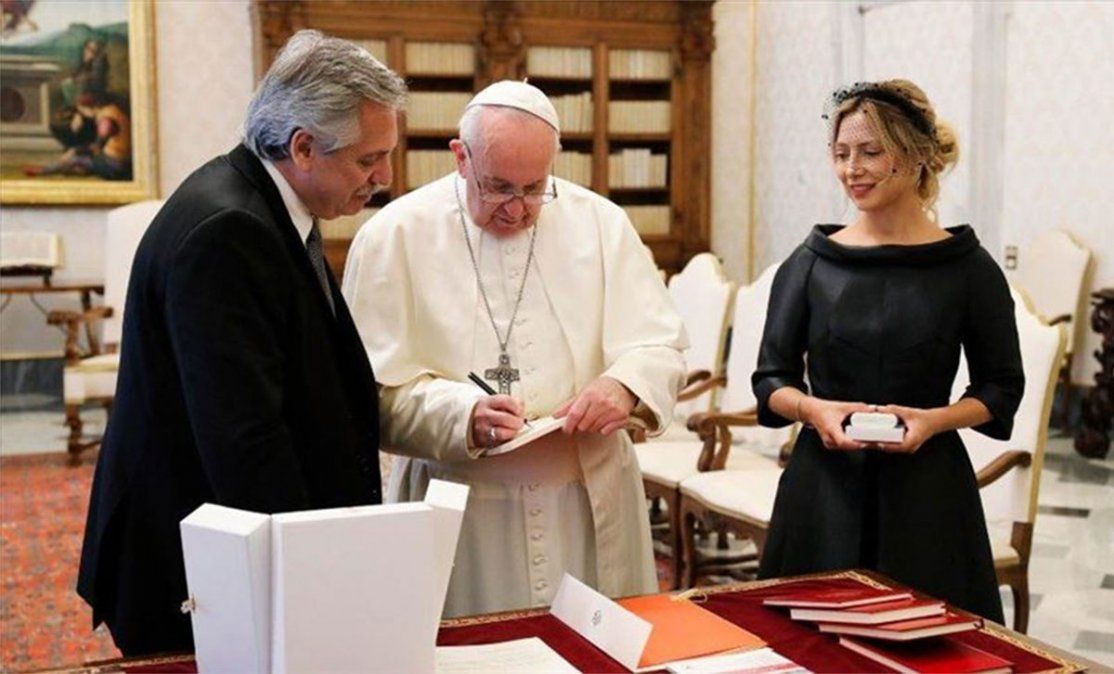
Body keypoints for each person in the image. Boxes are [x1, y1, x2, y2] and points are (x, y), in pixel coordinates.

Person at [77, 30, 406, 655]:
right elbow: (245, 441)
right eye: (368, 160)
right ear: (303, 147)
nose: (384, 178)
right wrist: (312, 581)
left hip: (222, 551)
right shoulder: (229, 231)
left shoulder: (262, 204)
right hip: (193, 570)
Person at [342, 80, 687, 618]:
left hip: (587, 496)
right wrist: (463, 415)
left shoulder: (600, 223)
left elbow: (660, 345)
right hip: (464, 505)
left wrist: (623, 386)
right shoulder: (395, 235)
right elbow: (370, 394)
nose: (518, 210)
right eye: (499, 187)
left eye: (534, 188)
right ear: (461, 157)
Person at [752, 79, 1024, 623]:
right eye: (841, 153)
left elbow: (1000, 387)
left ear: (918, 154)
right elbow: (770, 380)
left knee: (931, 648)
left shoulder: (969, 268)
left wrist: (935, 420)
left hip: (928, 496)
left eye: (871, 152)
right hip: (822, 492)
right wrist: (813, 409)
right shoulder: (809, 263)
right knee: (811, 645)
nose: (852, 168)